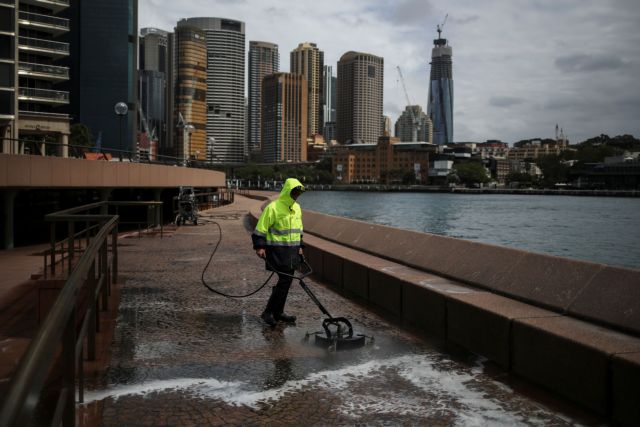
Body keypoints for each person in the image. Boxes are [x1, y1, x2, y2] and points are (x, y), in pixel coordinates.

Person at [252, 178, 305, 326]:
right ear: (288, 191)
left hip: (292, 252)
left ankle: (278, 312)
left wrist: (300, 245)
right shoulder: (273, 207)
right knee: (284, 281)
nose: (297, 196)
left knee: (286, 283)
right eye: (295, 192)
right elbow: (261, 228)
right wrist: (259, 246)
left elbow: (299, 229)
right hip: (277, 251)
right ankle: (268, 312)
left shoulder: (297, 208)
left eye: (299, 193)